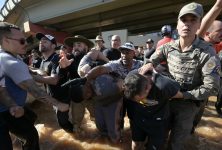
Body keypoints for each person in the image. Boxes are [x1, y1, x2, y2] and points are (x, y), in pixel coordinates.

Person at [141, 2, 220, 149]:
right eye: (184, 20)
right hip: (166, 100)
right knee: (157, 138)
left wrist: (183, 95)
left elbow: (213, 88)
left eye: (193, 20)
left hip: (188, 105)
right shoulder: (168, 47)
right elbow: (153, 59)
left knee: (176, 144)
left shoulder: (207, 52)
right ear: (177, 24)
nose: (187, 24)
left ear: (199, 25)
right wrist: (149, 63)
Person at [0, 22, 68, 150]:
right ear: (6, 41)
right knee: (31, 136)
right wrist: (59, 104)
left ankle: (16, 138)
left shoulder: (13, 57)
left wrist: (35, 74)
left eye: (25, 40)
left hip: (13, 105)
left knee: (31, 116)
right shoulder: (12, 62)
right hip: (4, 112)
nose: (26, 43)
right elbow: (36, 91)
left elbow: (29, 71)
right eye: (21, 41)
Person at [83, 42, 143, 142]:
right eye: (122, 52)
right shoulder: (116, 63)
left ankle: (134, 133)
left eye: (127, 52)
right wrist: (87, 80)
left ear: (134, 53)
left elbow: (152, 69)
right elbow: (101, 69)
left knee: (134, 116)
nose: (124, 55)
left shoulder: (140, 64)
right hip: (119, 95)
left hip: (133, 95)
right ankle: (120, 134)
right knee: (120, 116)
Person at [124, 71, 181, 150]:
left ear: (148, 88)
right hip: (138, 118)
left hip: (158, 121)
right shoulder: (130, 78)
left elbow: (180, 94)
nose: (138, 102)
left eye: (140, 99)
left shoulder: (164, 86)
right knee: (136, 144)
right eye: (135, 100)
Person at [31, 33, 73, 133]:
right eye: (41, 41)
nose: (41, 42)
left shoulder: (56, 58)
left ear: (53, 45)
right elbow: (43, 74)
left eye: (45, 41)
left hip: (63, 98)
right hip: (53, 98)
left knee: (64, 124)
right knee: (63, 122)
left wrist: (30, 77)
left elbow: (54, 80)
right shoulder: (42, 60)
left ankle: (78, 137)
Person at [59, 35, 95, 133]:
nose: (75, 47)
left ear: (86, 47)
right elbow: (61, 74)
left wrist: (92, 65)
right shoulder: (69, 58)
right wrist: (62, 68)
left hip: (91, 96)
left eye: (79, 45)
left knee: (97, 119)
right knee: (76, 124)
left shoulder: (93, 58)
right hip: (76, 97)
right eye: (74, 45)